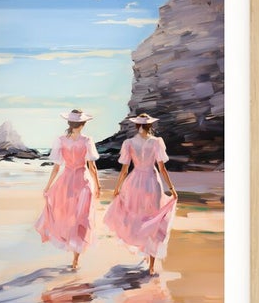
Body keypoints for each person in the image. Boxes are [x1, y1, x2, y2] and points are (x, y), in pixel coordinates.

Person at [103, 113, 177, 275]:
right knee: (153, 220)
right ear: (150, 126)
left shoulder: (128, 143)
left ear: (137, 126)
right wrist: (171, 188)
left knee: (137, 218)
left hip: (134, 183)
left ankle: (143, 248)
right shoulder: (157, 142)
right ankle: (151, 264)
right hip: (152, 182)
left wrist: (117, 187)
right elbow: (162, 168)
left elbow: (124, 169)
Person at [36, 108, 101, 270]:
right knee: (81, 217)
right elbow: (92, 166)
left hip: (67, 181)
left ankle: (75, 255)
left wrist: (48, 186)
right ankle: (76, 258)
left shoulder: (61, 140)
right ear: (83, 123)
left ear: (70, 123)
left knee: (70, 216)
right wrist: (98, 185)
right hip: (83, 181)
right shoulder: (87, 140)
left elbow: (57, 167)